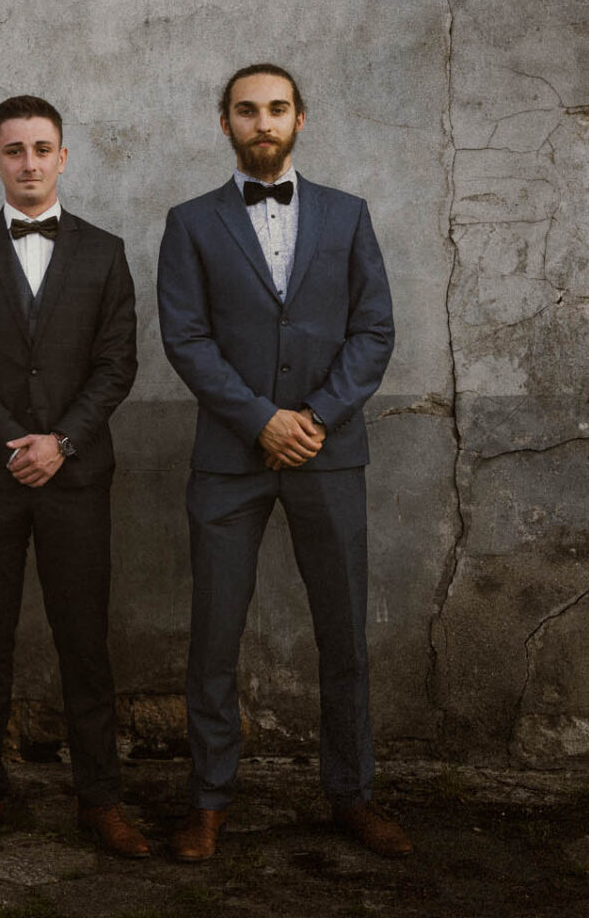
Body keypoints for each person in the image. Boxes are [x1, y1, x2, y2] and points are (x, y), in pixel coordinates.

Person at [156, 63, 406, 862]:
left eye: (276, 108)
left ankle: (351, 795)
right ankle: (208, 802)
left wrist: (318, 417)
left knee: (344, 633)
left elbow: (374, 330)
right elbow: (185, 337)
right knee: (214, 637)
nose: (262, 122)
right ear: (224, 123)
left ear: (301, 118)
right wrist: (261, 419)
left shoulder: (348, 214)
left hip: (329, 454)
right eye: (246, 110)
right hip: (230, 459)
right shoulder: (190, 223)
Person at [0, 95, 147, 858]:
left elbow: (117, 361)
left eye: (41, 149)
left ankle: (101, 799)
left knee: (84, 643)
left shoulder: (104, 251)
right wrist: (12, 442)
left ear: (63, 157)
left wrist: (63, 442)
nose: (28, 163)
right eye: (14, 150)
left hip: (76, 478)